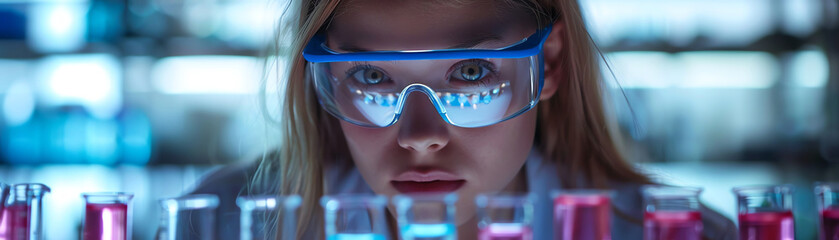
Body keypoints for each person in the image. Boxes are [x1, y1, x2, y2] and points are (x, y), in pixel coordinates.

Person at [191, 0, 738, 239]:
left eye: (472, 74)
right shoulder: (220, 225)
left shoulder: (676, 236)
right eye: (371, 77)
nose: (421, 137)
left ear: (548, 64)